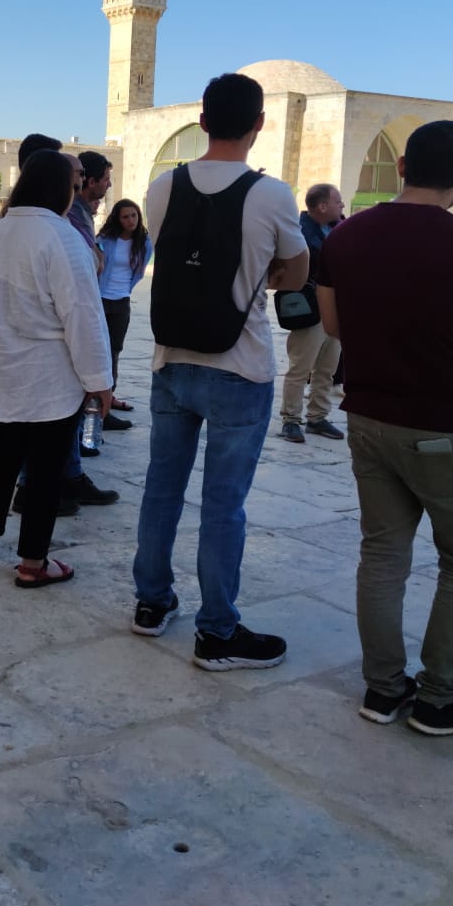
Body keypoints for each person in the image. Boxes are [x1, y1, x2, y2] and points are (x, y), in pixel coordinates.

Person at [317, 120, 453, 736]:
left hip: (370, 419)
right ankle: (439, 699)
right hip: (445, 427)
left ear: (401, 165)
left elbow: (331, 327)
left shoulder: (345, 235)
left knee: (382, 555)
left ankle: (382, 690)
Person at [129, 72, 308, 672]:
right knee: (223, 504)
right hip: (241, 365)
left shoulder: (162, 186)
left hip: (171, 359)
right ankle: (217, 631)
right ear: (260, 125)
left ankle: (151, 604)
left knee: (161, 490)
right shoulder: (272, 193)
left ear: (201, 121)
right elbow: (297, 271)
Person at [0, 149, 113, 587]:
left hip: (4, 370)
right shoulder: (61, 237)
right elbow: (83, 317)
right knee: (46, 470)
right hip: (48, 377)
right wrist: (100, 382)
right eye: (75, 182)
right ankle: (32, 563)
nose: (79, 189)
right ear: (58, 187)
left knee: (3, 456)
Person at [279, 183, 345, 444]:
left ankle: (317, 417)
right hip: (310, 308)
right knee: (300, 368)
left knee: (327, 368)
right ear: (322, 206)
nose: (342, 206)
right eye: (338, 202)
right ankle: (291, 420)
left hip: (336, 309)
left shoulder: (341, 228)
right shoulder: (299, 232)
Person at [94, 199, 150, 426]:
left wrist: (125, 290)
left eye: (134, 216)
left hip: (121, 302)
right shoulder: (105, 239)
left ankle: (109, 397)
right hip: (101, 299)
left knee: (115, 350)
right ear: (118, 219)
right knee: (99, 349)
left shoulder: (144, 242)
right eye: (126, 216)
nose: (131, 221)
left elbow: (139, 272)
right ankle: (94, 399)